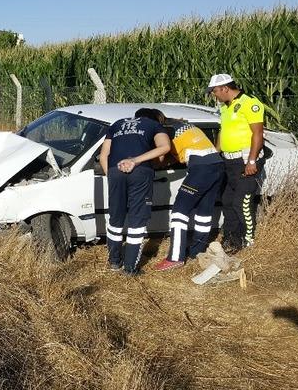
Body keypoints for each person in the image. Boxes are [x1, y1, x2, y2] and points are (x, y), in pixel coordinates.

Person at [147, 110, 225, 271]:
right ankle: (197, 251)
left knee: (179, 212)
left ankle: (175, 258)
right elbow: (175, 153)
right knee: (204, 212)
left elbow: (162, 153)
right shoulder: (181, 125)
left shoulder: (165, 130)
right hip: (217, 165)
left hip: (201, 169)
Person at [99, 108, 171, 275]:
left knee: (115, 218)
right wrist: (135, 161)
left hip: (115, 170)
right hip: (140, 172)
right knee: (137, 220)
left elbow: (103, 156)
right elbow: (165, 147)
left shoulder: (117, 124)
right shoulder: (154, 125)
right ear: (154, 118)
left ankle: (114, 261)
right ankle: (130, 268)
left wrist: (112, 176)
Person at [207, 74, 265, 253]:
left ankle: (248, 240)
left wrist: (252, 161)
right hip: (229, 161)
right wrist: (215, 154)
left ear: (225, 88)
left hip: (245, 159)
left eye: (214, 91)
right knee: (227, 200)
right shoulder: (225, 107)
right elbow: (223, 132)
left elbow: (258, 133)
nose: (214, 95)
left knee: (242, 202)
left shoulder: (250, 103)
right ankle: (231, 239)